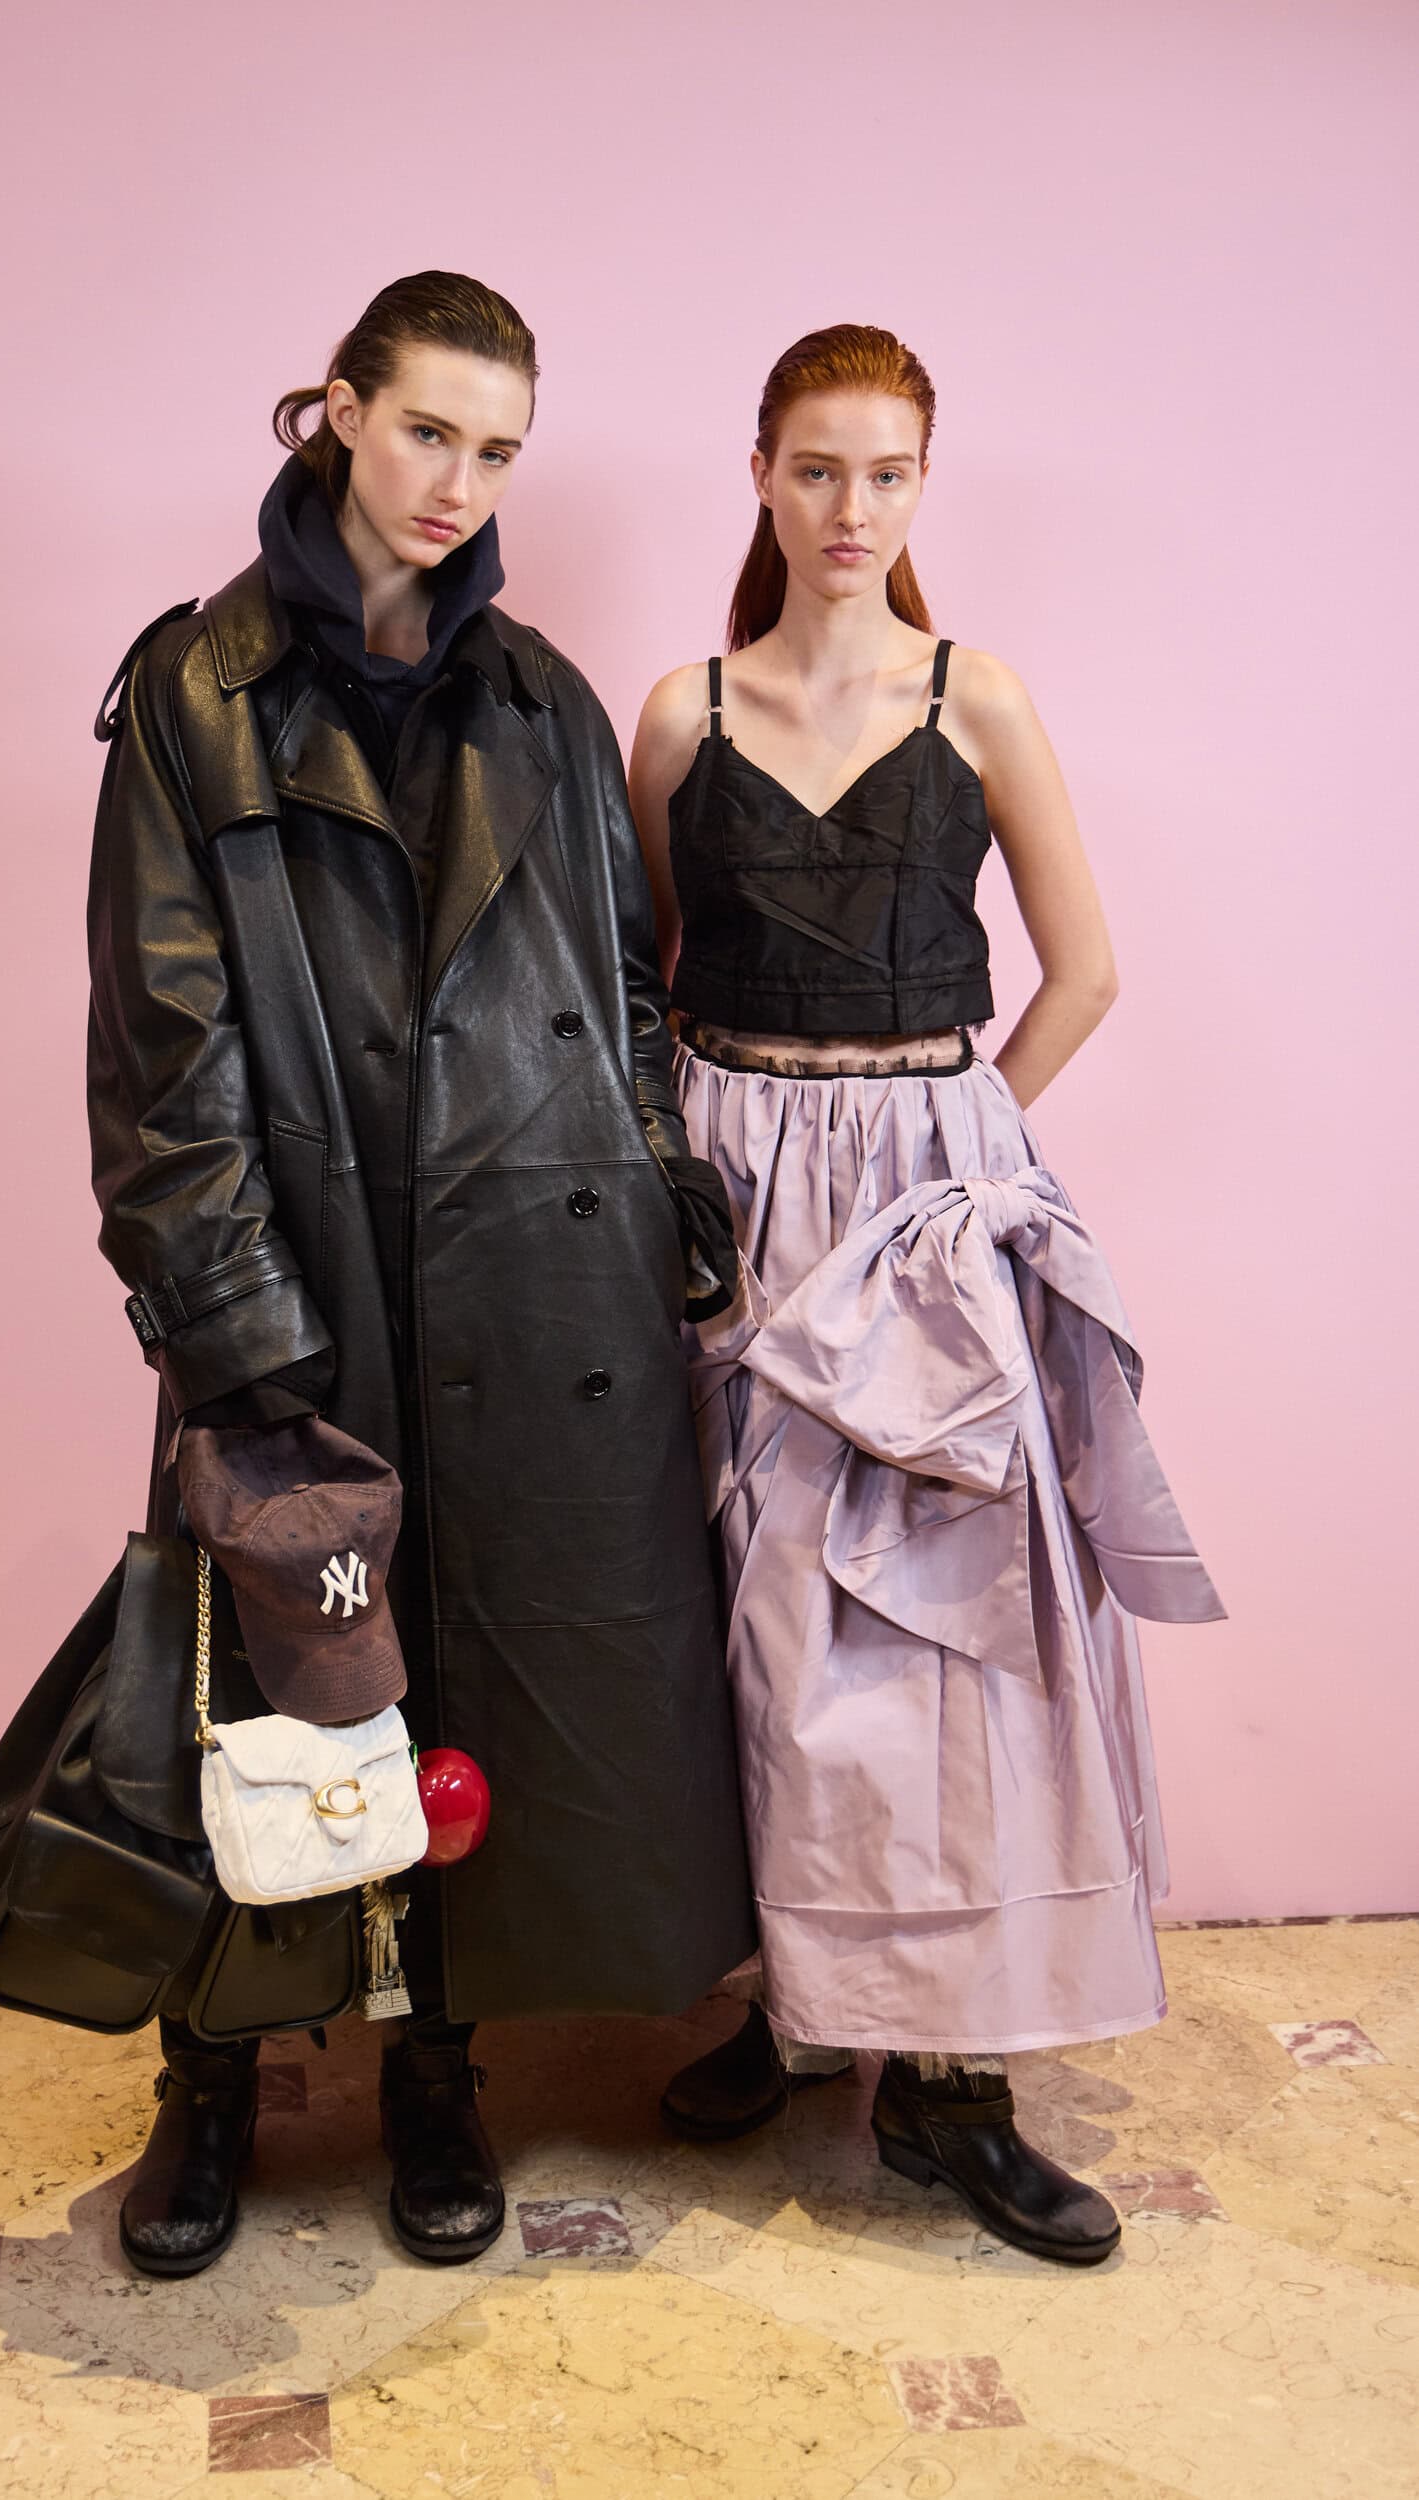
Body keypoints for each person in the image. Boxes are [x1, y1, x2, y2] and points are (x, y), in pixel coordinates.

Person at [86, 271, 753, 2276]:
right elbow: (162, 1044)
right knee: (261, 1688)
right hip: (303, 1269)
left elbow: (623, 995)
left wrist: (661, 1197)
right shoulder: (196, 691)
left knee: (466, 1692)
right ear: (342, 411)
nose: (458, 481)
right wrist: (236, 1325)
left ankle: (435, 2066)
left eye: (498, 448)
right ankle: (212, 2076)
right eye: (429, 430)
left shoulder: (541, 698)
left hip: (530, 1270)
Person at [630, 323, 1224, 2267]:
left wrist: (969, 1167)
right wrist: (688, 1171)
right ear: (760, 473)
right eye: (818, 469)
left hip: (926, 1197)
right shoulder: (678, 714)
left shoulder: (983, 701)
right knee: (756, 1617)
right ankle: (799, 2012)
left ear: (921, 485)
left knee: (948, 1629)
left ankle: (953, 2086)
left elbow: (1084, 969)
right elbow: (645, 982)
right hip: (737, 1187)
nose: (851, 509)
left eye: (887, 473)